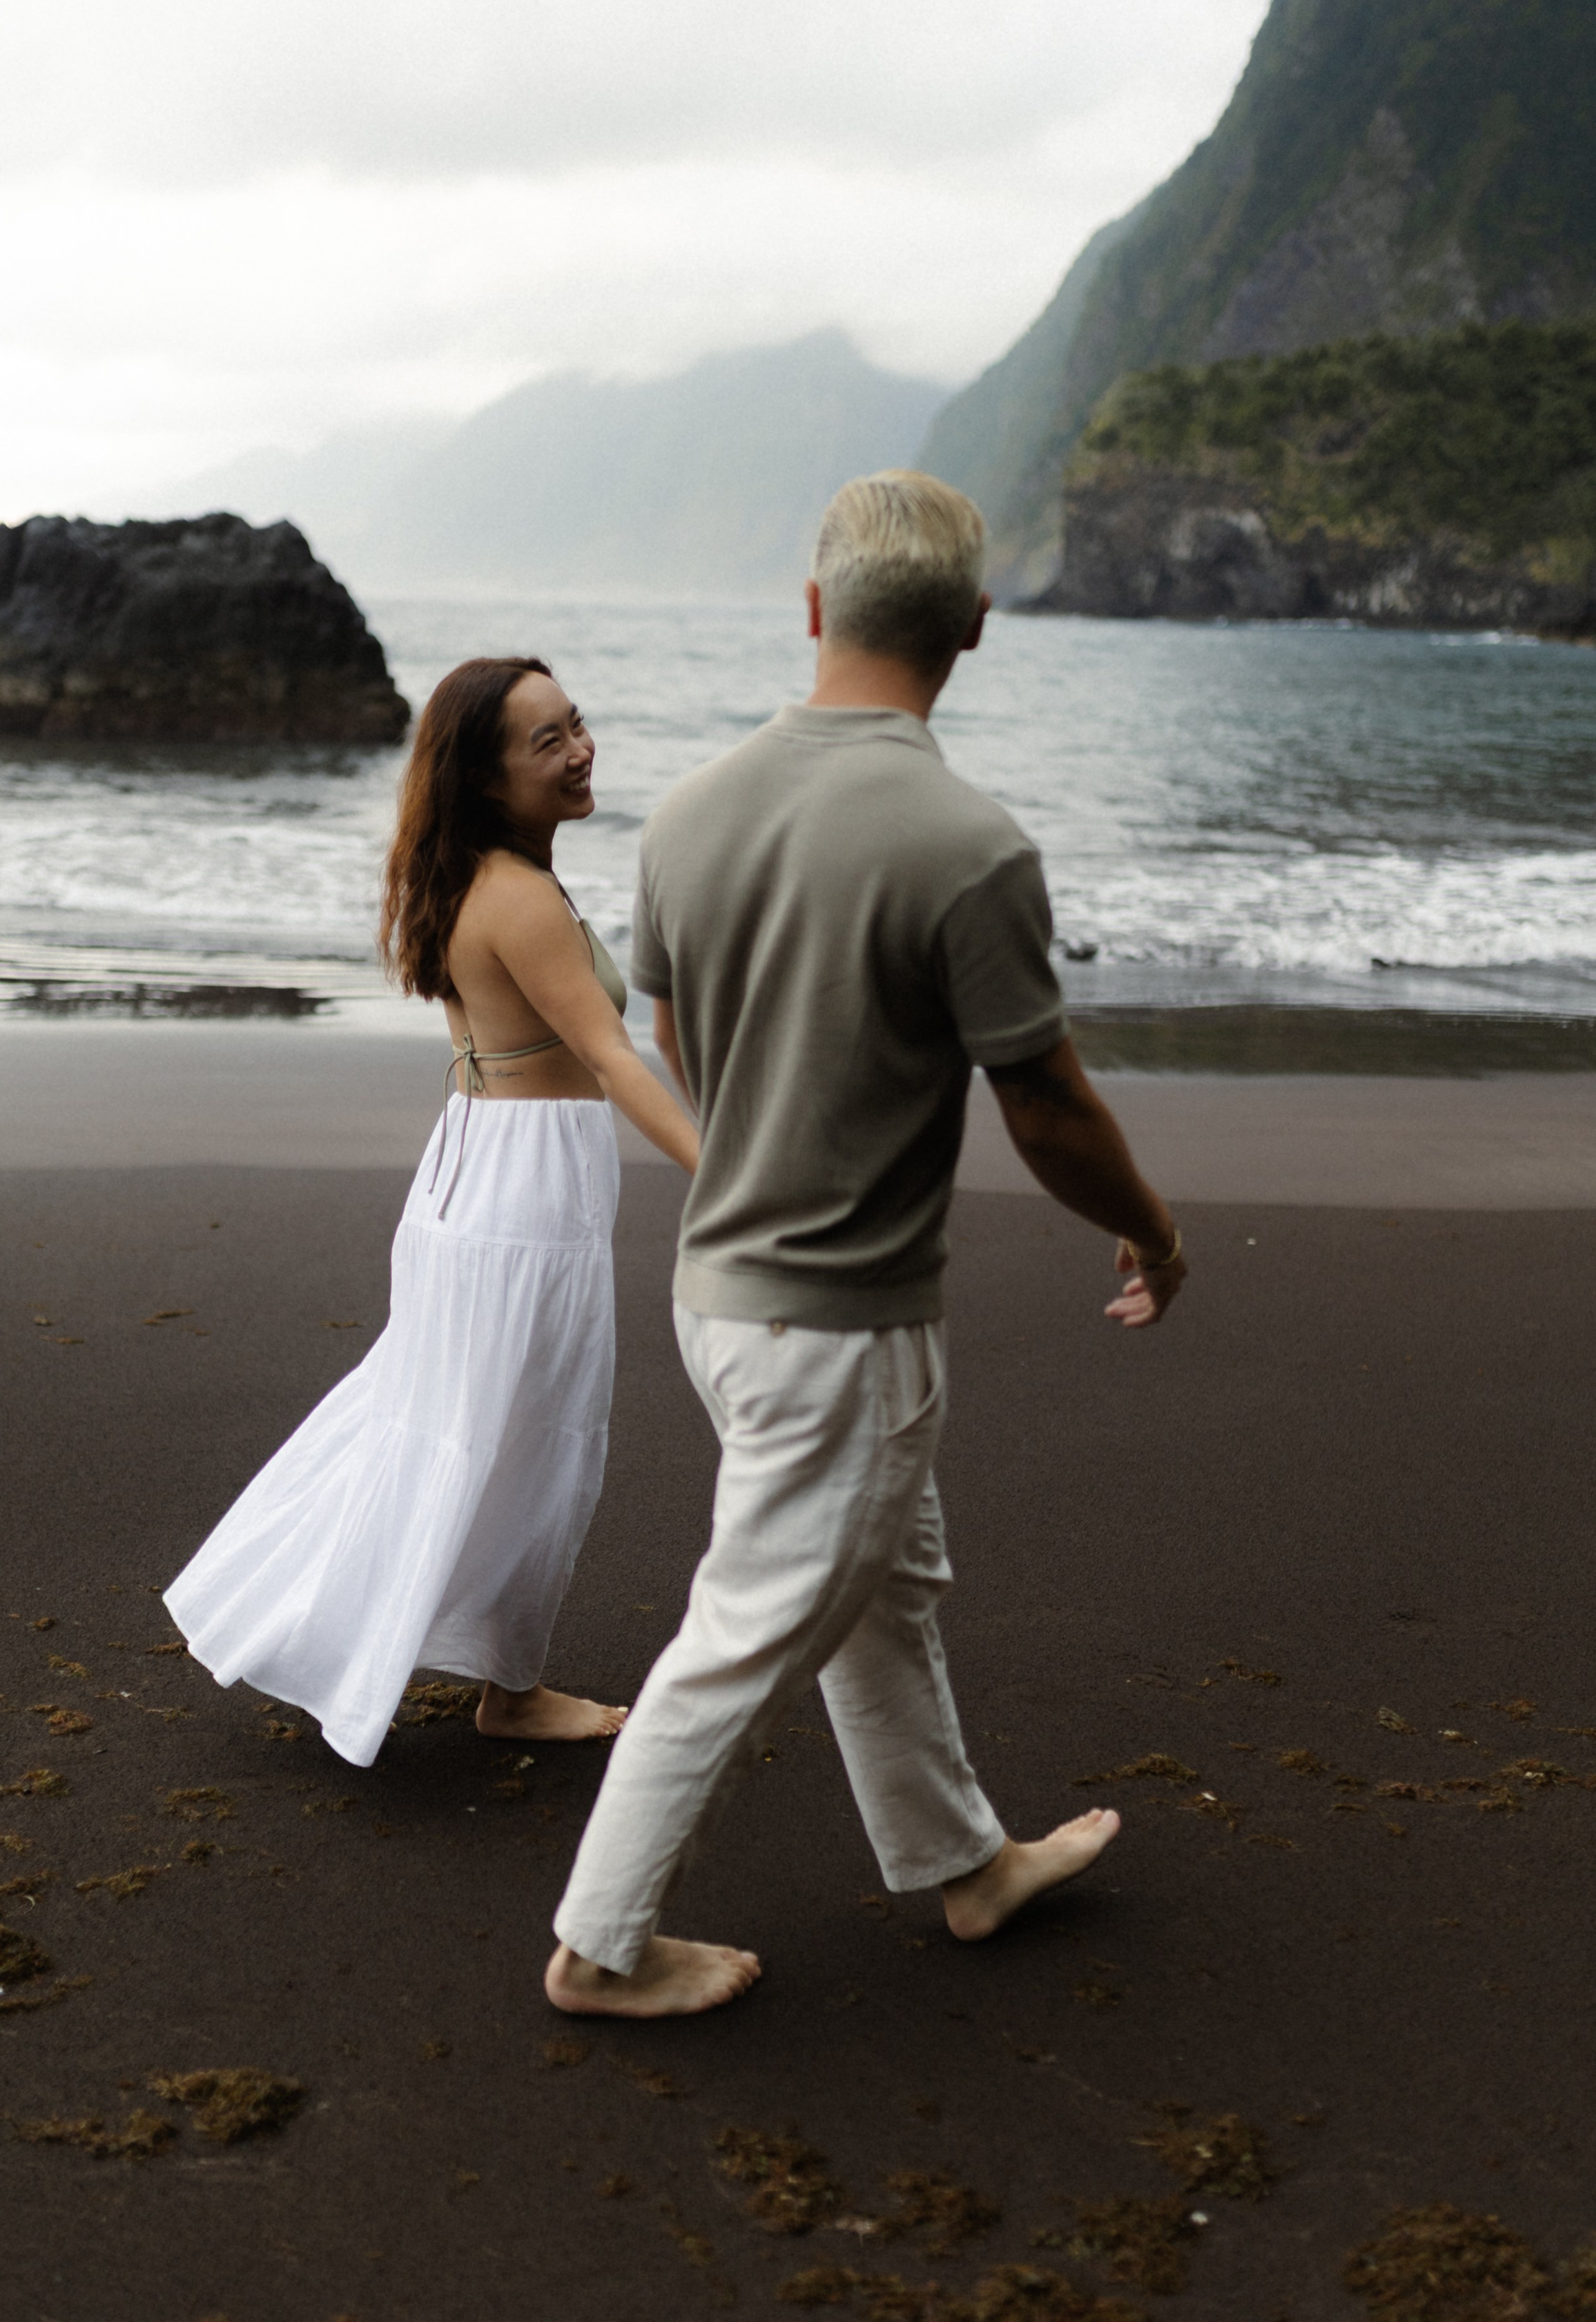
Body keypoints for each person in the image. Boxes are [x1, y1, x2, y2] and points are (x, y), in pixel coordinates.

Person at [545, 473, 1187, 2020]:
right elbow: (1039, 1100)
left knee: (881, 1584)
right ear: (973, 624)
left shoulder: (690, 812)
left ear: (815, 607)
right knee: (751, 1624)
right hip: (839, 1323)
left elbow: (677, 1034)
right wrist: (1148, 1230)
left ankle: (963, 1865)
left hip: (719, 1287)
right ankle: (597, 1945)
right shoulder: (967, 845)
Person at [166, 656, 699, 1766]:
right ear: (485, 776)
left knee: (445, 1427)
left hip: (475, 1168)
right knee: (532, 1443)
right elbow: (611, 1054)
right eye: (545, 741)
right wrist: (736, 1176)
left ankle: (366, 1643)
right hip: (520, 1190)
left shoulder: (463, 875)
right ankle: (491, 1686)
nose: (581, 750)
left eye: (579, 725)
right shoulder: (518, 896)